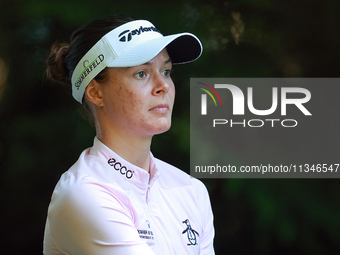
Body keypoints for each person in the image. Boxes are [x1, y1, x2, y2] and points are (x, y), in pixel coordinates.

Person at [43, 14, 215, 255]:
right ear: (95, 92)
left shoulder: (191, 190)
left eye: (166, 71)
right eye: (141, 74)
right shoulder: (84, 194)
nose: (163, 85)